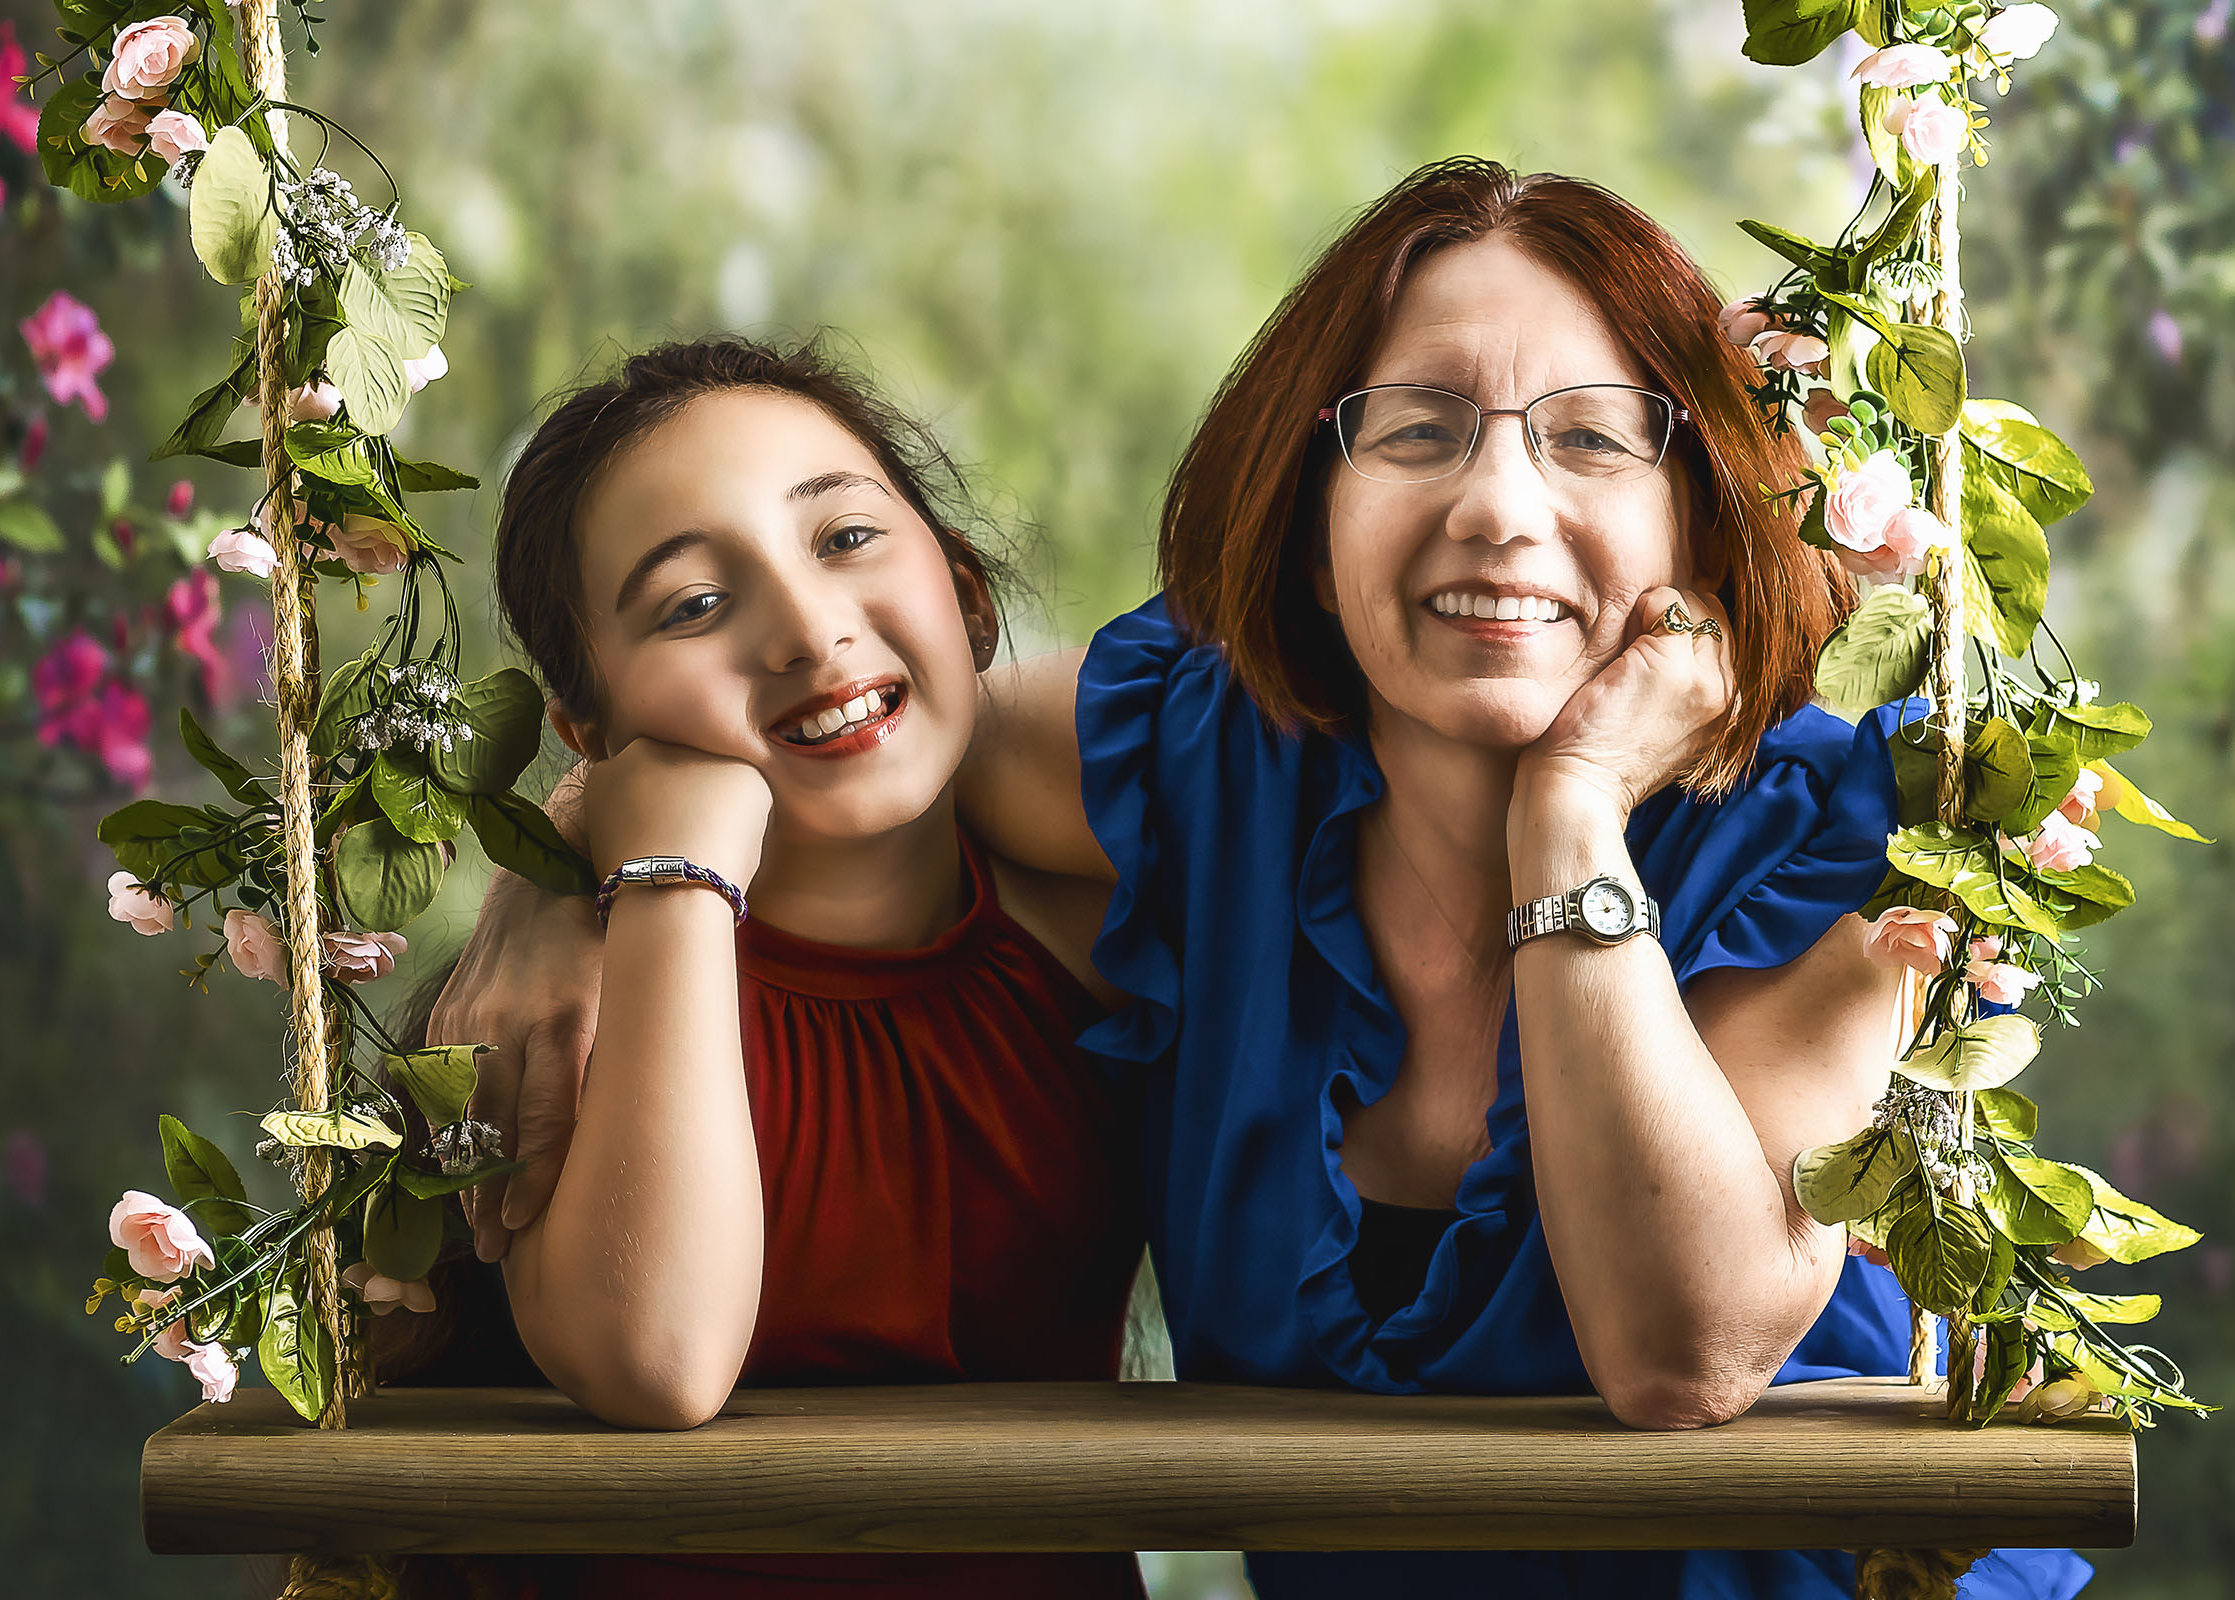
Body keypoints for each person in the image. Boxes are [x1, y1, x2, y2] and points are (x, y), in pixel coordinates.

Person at [432, 162, 2090, 1600]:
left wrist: (1573, 814)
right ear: (1308, 518)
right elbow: (847, 722)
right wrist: (552, 881)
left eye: (1592, 440)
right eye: (1417, 431)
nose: (1500, 508)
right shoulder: (1197, 766)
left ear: (1692, 518)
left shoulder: (1825, 842)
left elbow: (1683, 1350)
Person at [463, 336, 1146, 1600]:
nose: (808, 628)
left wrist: (576, 831)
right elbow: (661, 1359)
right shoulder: (568, 1022)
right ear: (590, 729)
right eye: (693, 606)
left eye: (843, 538)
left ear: (965, 591)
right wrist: (670, 855)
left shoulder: (1092, 933)